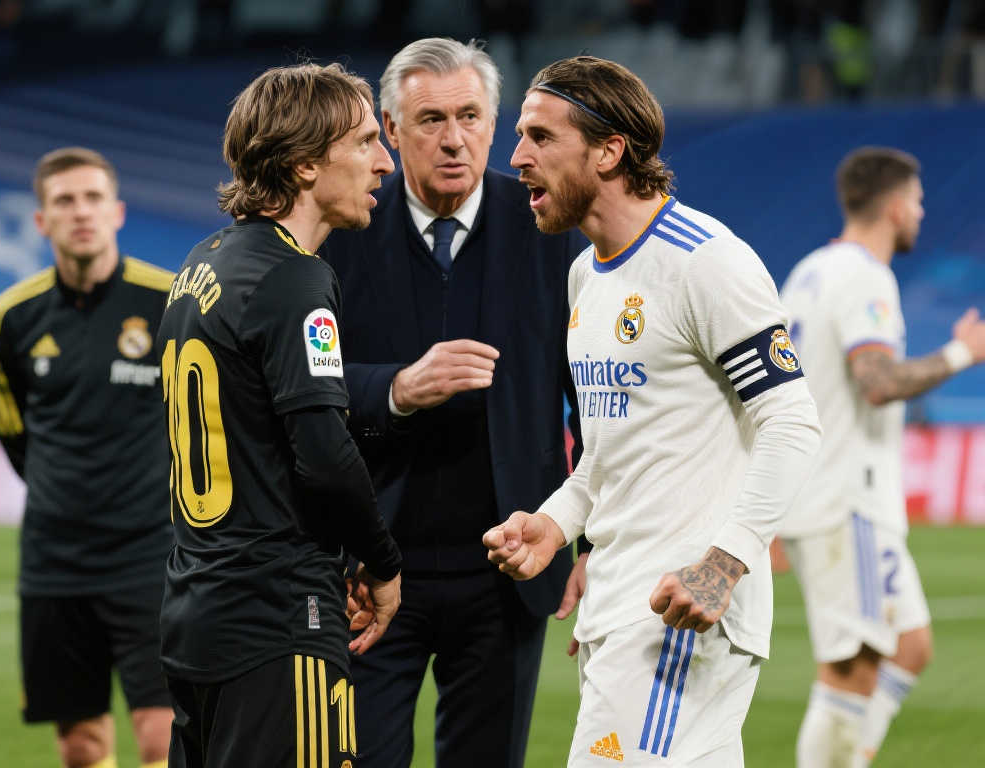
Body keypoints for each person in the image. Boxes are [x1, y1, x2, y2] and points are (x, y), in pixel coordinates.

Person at [484, 56, 824, 767]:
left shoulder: (705, 262)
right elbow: (611, 452)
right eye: (519, 137)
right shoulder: (586, 274)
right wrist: (555, 522)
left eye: (541, 137)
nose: (516, 159)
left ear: (609, 151)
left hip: (680, 612)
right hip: (619, 608)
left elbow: (792, 422)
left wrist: (723, 564)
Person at [320, 37, 587, 768]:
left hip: (507, 570)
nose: (453, 139)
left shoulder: (549, 230)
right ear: (390, 128)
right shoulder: (341, 230)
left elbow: (593, 397)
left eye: (469, 116)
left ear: (494, 124)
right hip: (370, 571)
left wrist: (589, 540)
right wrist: (395, 389)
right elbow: (302, 387)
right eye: (431, 119)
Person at [156, 62, 403, 768]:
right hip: (276, 620)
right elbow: (323, 453)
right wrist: (383, 564)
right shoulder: (293, 277)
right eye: (364, 142)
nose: (384, 162)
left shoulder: (202, 264)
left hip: (196, 613)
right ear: (303, 164)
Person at [778, 147, 985, 767]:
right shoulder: (866, 275)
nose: (921, 212)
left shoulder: (810, 271)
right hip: (848, 499)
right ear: (894, 206)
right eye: (917, 201)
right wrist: (961, 354)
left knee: (910, 645)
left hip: (826, 490)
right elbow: (877, 380)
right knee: (851, 670)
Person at [0, 147, 174, 768]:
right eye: (64, 201)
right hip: (55, 560)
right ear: (42, 220)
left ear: (118, 212)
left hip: (151, 553)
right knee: (81, 746)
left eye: (93, 198)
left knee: (163, 735)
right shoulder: (14, 317)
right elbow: (14, 431)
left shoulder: (168, 302)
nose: (81, 212)